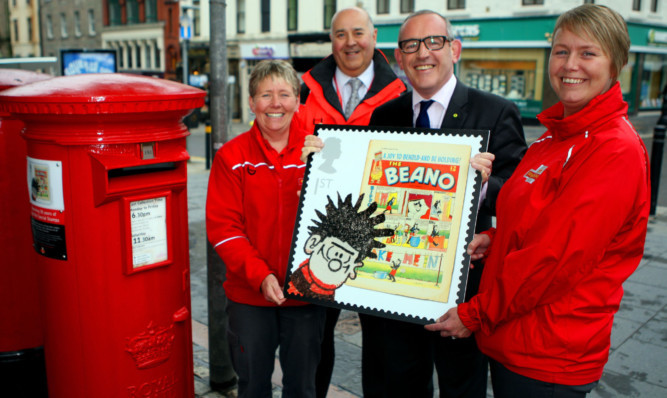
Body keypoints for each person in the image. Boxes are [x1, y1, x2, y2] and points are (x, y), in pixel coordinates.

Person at [426, 4, 650, 398]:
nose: (570, 64)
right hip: (517, 338)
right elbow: (535, 218)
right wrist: (494, 238)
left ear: (616, 65)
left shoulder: (614, 149)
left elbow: (554, 259)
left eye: (588, 52)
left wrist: (474, 314)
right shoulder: (554, 136)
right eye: (561, 51)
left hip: (550, 353)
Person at [360, 10, 527, 398]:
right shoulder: (385, 116)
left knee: (462, 388)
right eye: (411, 46)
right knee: (401, 385)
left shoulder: (496, 111)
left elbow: (521, 194)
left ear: (454, 49)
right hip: (397, 286)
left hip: (464, 293)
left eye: (433, 42)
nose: (423, 54)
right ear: (399, 58)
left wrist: (483, 187)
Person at [295, 7, 406, 397]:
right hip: (320, 230)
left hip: (377, 234)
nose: (350, 42)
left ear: (374, 36)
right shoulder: (305, 91)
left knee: (383, 345)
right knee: (314, 341)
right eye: (340, 34)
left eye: (358, 32)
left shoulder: (404, 93)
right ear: (331, 41)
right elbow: (291, 153)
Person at [206, 60, 325, 398]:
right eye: (265, 95)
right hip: (249, 297)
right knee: (253, 386)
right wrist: (260, 275)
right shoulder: (232, 156)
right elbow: (223, 227)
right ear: (251, 102)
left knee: (303, 388)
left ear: (298, 100)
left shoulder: (320, 152)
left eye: (284, 94)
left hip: (306, 295)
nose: (276, 104)